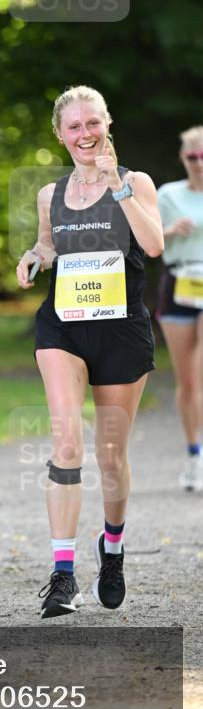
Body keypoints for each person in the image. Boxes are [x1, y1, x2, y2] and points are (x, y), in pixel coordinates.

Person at [16, 85, 164, 619]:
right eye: (74, 127)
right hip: (65, 327)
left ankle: (114, 547)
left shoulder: (136, 182)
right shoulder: (49, 194)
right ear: (60, 134)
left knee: (110, 456)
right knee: (67, 441)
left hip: (121, 331)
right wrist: (34, 257)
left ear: (107, 124)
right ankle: (61, 575)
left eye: (92, 123)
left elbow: (152, 245)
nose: (85, 134)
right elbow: (50, 245)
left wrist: (117, 186)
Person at [156, 125, 203, 492]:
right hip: (179, 284)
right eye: (192, 156)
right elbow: (148, 238)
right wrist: (171, 230)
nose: (199, 163)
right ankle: (193, 454)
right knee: (187, 382)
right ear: (182, 158)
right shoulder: (168, 194)